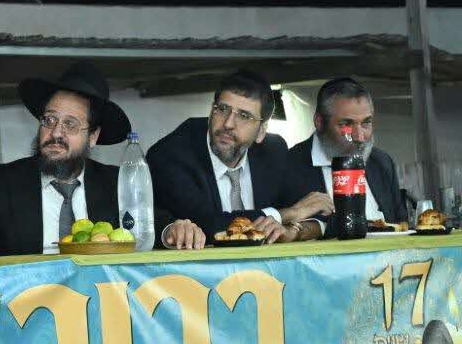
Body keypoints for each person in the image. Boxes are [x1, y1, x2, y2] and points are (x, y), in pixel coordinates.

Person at [0, 62, 195, 265]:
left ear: (93, 137)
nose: (56, 133)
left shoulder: (115, 183)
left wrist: (173, 230)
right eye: (49, 120)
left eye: (70, 124)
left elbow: (152, 224)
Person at [148, 70, 329, 246]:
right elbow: (206, 224)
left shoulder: (273, 151)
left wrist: (295, 231)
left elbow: (318, 212)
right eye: (222, 109)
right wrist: (287, 214)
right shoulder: (172, 154)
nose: (228, 124)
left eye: (244, 116)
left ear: (261, 131)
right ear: (211, 111)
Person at [283, 77, 408, 233]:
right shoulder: (287, 165)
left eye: (366, 123)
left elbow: (401, 223)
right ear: (319, 122)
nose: (359, 137)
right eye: (346, 124)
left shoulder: (381, 162)